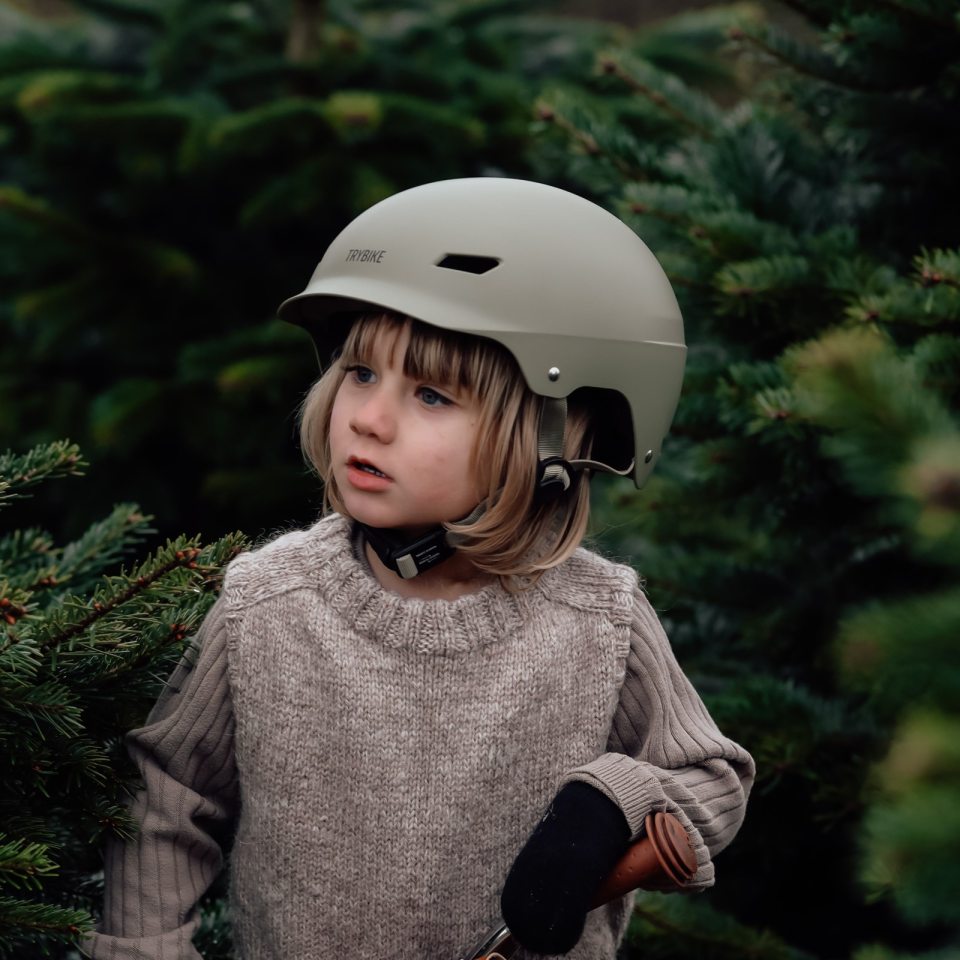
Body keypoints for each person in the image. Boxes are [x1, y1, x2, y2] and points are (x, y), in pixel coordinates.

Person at [83, 178, 755, 960]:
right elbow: (166, 796)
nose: (368, 416)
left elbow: (713, 779)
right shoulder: (268, 603)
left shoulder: (598, 622)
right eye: (361, 373)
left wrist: (620, 803)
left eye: (432, 394)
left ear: (557, 433)